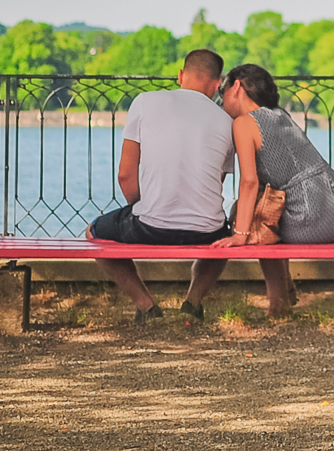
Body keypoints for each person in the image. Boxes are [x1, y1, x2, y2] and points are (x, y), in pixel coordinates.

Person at [85, 49, 235, 322]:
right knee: (222, 237)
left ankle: (145, 305)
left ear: (180, 75)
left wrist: (145, 207)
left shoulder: (145, 102)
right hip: (207, 231)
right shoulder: (228, 121)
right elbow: (214, 184)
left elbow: (125, 175)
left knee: (94, 234)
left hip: (150, 226)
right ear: (218, 84)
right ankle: (193, 301)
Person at [216, 62, 334, 316]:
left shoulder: (244, 123)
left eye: (222, 91)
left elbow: (249, 182)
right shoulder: (282, 116)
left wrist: (240, 233)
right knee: (258, 214)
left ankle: (278, 305)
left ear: (236, 87)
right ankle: (286, 292)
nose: (221, 98)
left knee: (256, 226)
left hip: (312, 215)